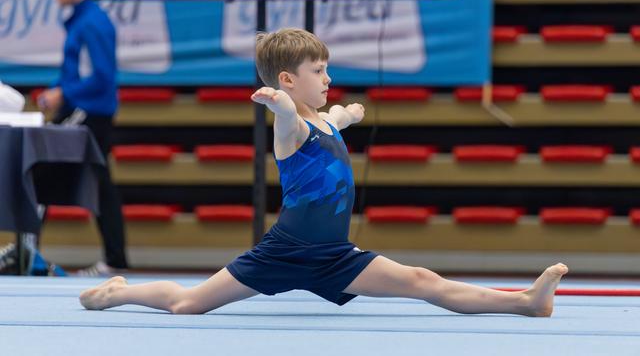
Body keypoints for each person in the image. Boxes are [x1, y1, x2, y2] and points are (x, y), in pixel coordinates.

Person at [79, 28, 568, 315]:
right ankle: (120, 292)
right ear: (290, 80)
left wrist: (350, 116)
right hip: (284, 250)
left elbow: (335, 120)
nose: (329, 79)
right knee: (189, 306)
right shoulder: (290, 127)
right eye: (319, 72)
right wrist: (277, 103)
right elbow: (291, 119)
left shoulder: (325, 120)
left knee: (422, 280)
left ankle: (526, 302)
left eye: (328, 70)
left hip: (334, 253)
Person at [38, 0, 128, 276]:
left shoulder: (93, 23)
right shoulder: (80, 20)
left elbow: (102, 76)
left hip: (92, 114)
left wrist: (64, 94)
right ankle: (113, 257)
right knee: (96, 181)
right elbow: (71, 73)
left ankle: (29, 253)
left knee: (41, 168)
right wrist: (55, 90)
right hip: (84, 109)